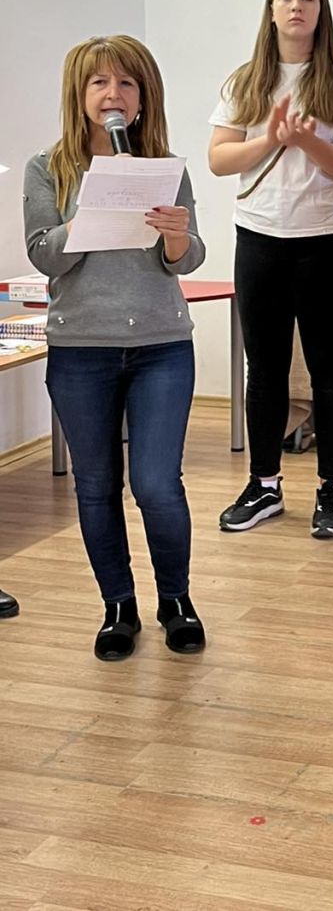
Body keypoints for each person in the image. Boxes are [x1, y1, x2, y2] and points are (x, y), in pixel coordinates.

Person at [23, 36, 207, 660]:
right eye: (99, 82)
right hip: (81, 348)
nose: (113, 94)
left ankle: (176, 600)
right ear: (78, 96)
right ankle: (118, 606)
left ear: (143, 97)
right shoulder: (47, 169)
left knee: (156, 483)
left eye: (127, 83)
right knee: (97, 483)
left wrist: (177, 237)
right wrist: (86, 218)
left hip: (161, 344)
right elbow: (43, 254)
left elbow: (187, 259)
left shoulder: (165, 167)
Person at [210, 0, 333, 537]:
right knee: (265, 368)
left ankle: (332, 487)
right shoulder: (245, 80)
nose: (297, 6)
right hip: (258, 237)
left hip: (323, 239)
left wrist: (306, 141)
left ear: (321, 11)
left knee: (329, 368)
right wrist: (271, 139)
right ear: (271, 11)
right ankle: (264, 484)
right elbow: (219, 159)